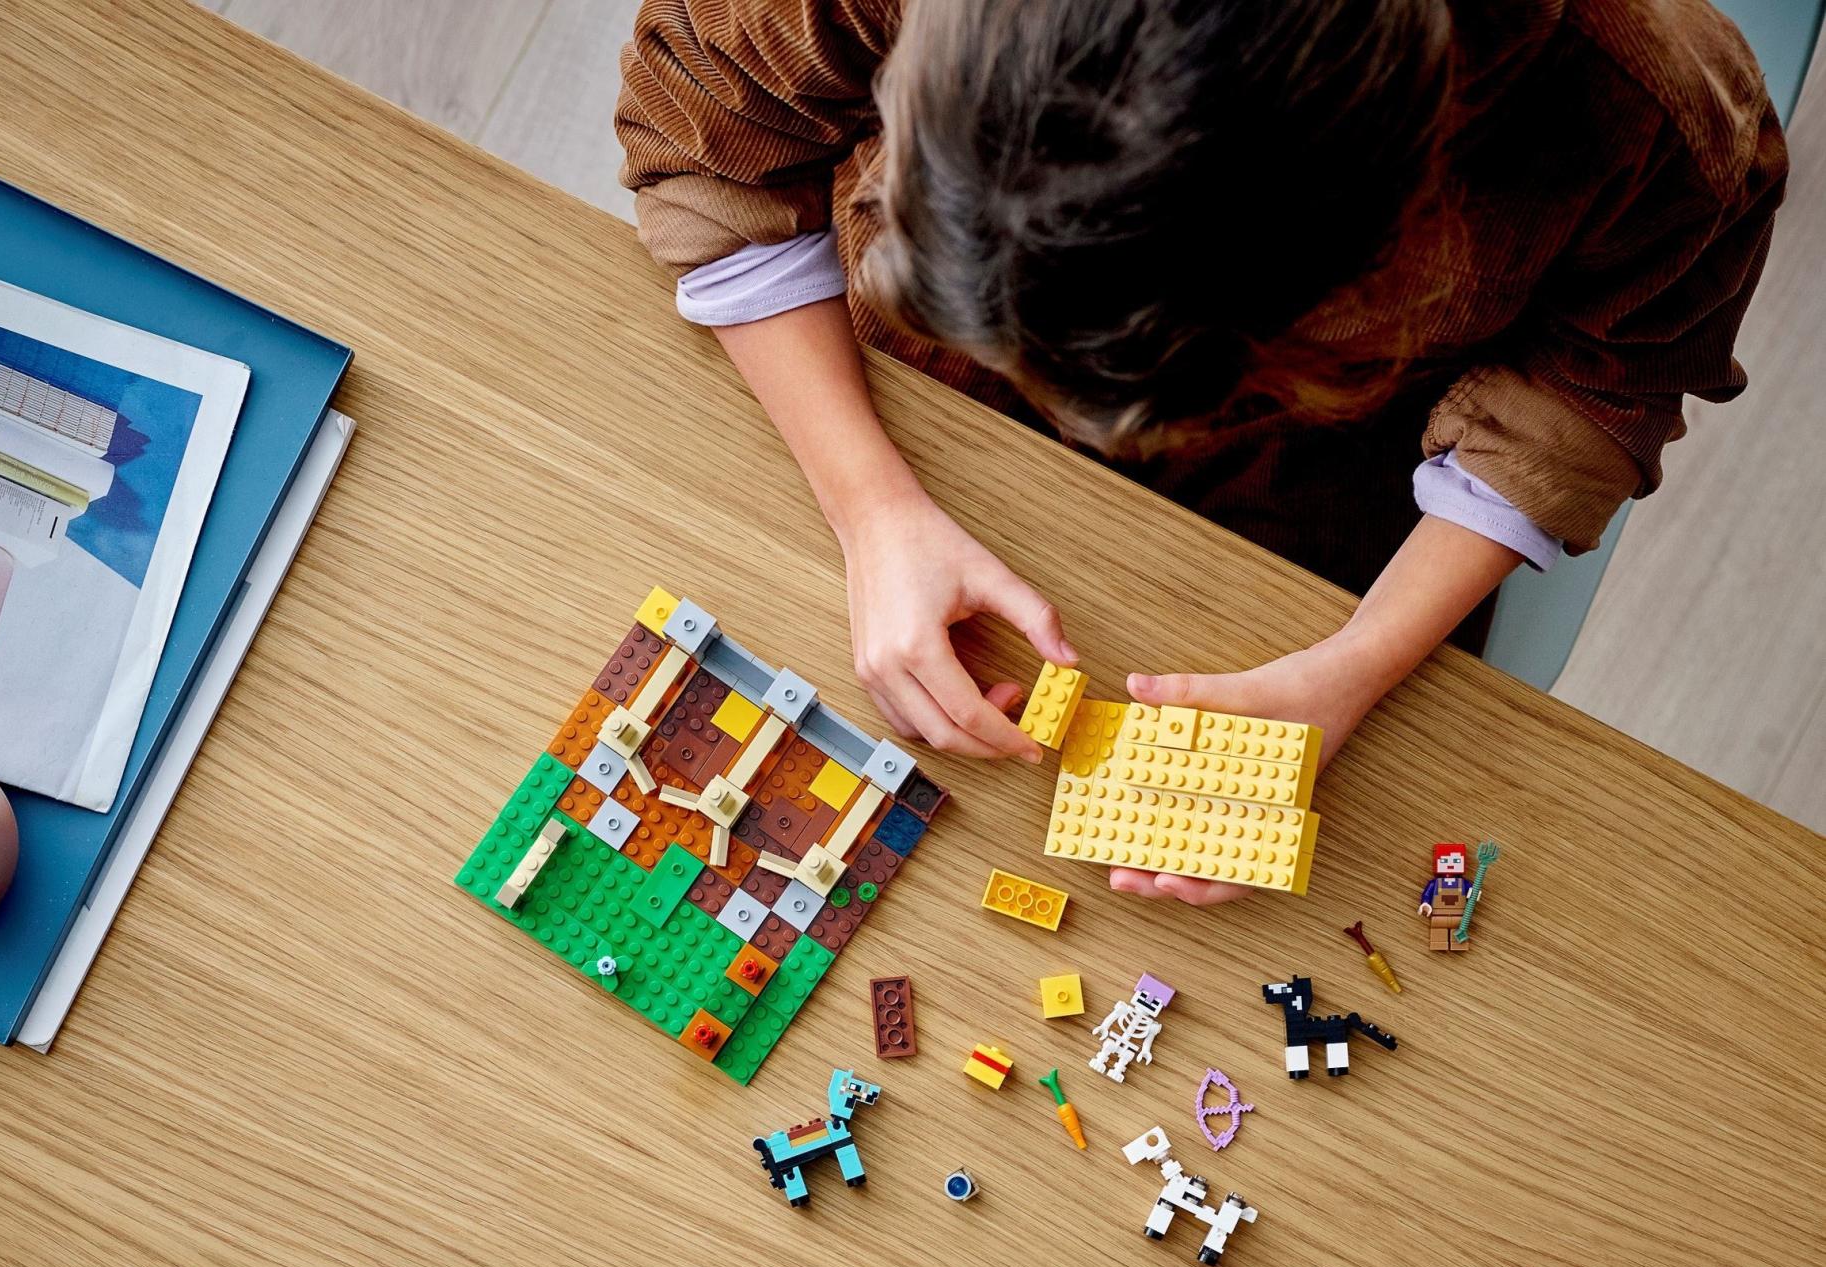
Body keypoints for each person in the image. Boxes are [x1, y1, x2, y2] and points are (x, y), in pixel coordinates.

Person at [614, 0, 1785, 905]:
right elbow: (705, 123)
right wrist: (870, 505)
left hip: (1310, 502)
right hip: (893, 401)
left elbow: (1596, 388)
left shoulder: (1649, 113)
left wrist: (1353, 667)